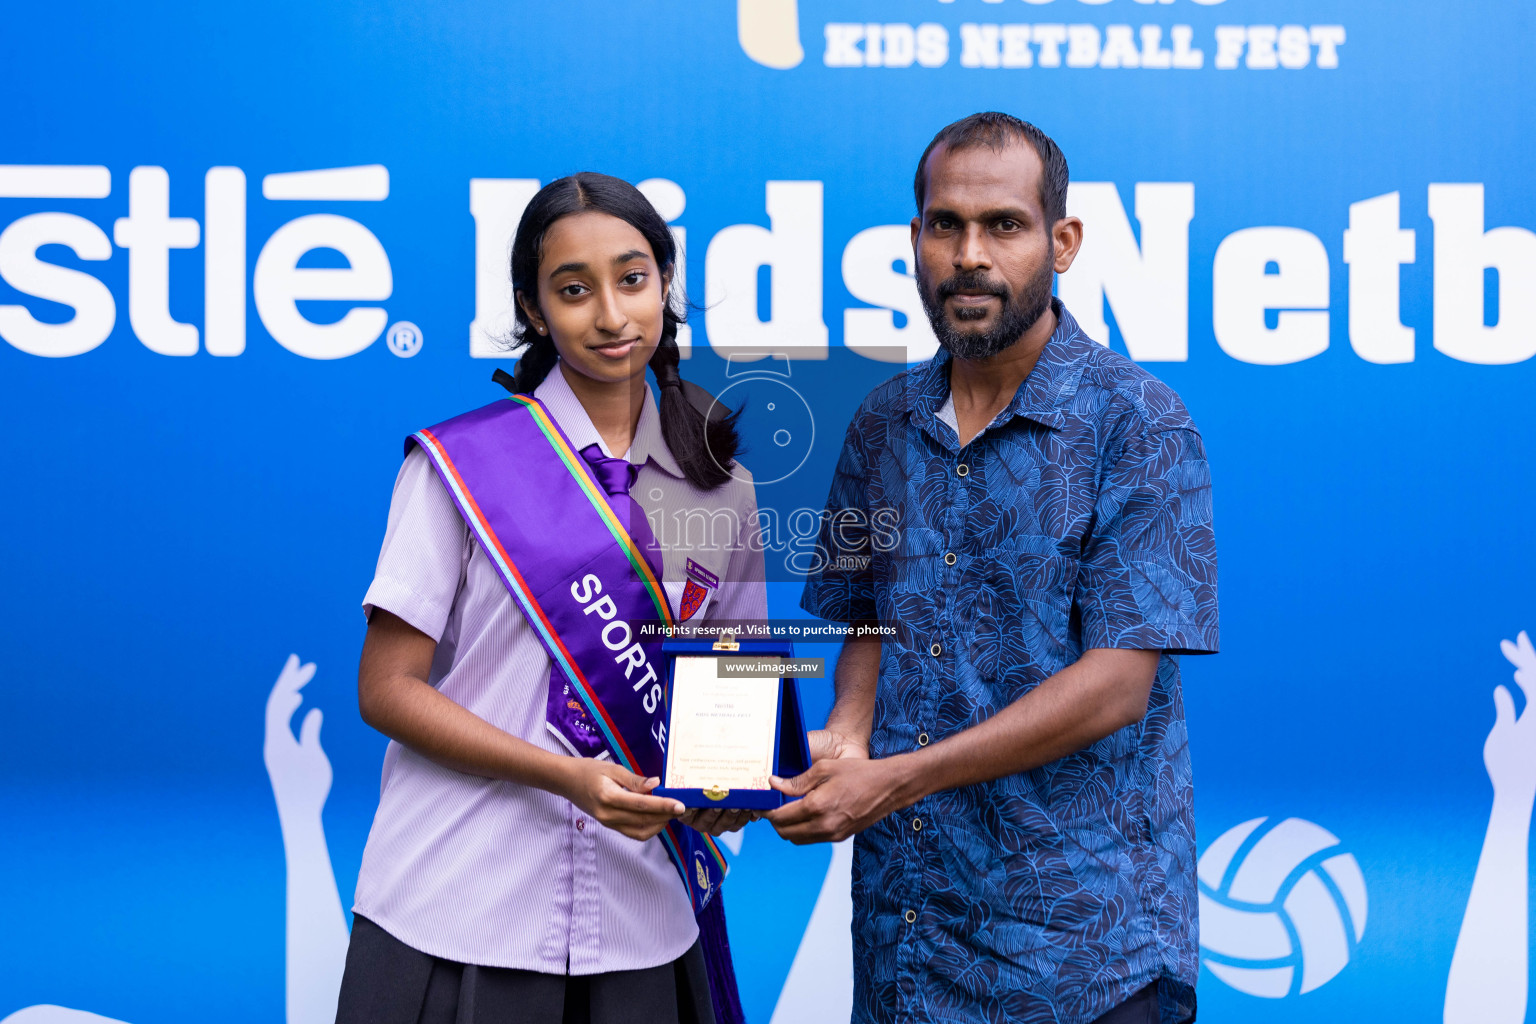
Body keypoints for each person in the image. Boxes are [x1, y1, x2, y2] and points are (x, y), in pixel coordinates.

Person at [770, 113, 1220, 1024]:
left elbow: (1114, 689)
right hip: (906, 938)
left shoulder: (1140, 424)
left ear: (1062, 242)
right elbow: (867, 615)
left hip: (1081, 958)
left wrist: (897, 776)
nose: (970, 254)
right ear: (916, 240)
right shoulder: (880, 421)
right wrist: (851, 733)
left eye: (1003, 225)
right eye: (947, 225)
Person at [335, 172, 766, 1024]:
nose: (611, 315)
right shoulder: (457, 467)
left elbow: (733, 690)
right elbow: (384, 689)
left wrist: (731, 794)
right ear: (534, 310)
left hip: (644, 919)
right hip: (457, 909)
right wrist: (565, 776)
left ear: (665, 282)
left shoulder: (722, 486)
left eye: (633, 279)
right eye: (574, 290)